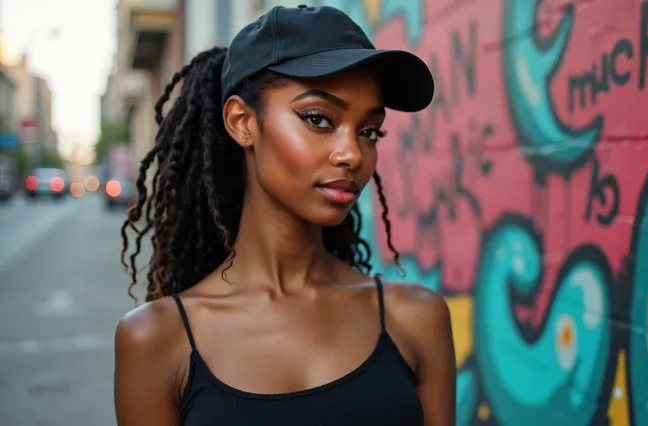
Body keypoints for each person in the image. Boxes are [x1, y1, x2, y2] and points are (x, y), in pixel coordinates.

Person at [114, 4, 455, 426]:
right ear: (242, 122)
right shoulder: (157, 339)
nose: (352, 153)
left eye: (369, 131)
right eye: (318, 119)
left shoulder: (417, 318)